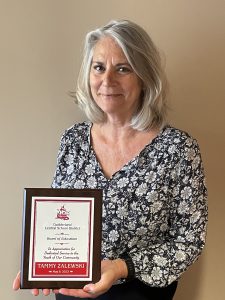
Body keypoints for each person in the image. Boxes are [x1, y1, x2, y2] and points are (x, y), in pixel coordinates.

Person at [13, 19, 208, 299]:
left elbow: (188, 240)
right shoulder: (73, 140)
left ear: (144, 77)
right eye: (99, 67)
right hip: (73, 289)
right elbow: (57, 217)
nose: (107, 81)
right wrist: (40, 262)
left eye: (123, 69)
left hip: (141, 292)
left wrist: (120, 267)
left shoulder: (178, 149)